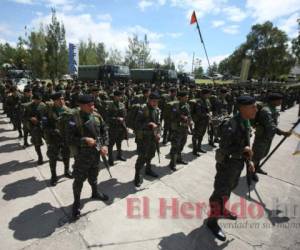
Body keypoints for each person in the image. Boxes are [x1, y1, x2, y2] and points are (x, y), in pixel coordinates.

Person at [206, 95, 257, 241]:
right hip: (227, 164)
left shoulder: (245, 121)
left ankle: (222, 209)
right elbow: (225, 148)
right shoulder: (231, 124)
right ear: (242, 108)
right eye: (252, 106)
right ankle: (212, 221)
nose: (255, 109)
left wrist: (249, 161)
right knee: (220, 191)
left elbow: (246, 143)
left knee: (229, 188)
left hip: (237, 163)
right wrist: (243, 150)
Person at [66, 94, 109, 220]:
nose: (92, 107)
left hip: (96, 154)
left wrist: (105, 145)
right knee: (79, 180)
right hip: (81, 157)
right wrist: (84, 140)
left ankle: (95, 192)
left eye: (93, 104)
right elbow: (68, 138)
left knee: (94, 175)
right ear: (81, 106)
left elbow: (104, 130)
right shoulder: (74, 118)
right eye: (90, 105)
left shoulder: (96, 115)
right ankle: (76, 202)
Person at [251, 93, 292, 181]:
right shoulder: (266, 111)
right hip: (262, 137)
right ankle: (251, 172)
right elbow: (270, 126)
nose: (281, 102)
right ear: (273, 101)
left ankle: (257, 168)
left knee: (262, 154)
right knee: (256, 155)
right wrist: (282, 132)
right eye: (279, 100)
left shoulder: (272, 109)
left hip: (268, 136)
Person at [42, 92, 73, 186]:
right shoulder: (48, 110)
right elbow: (44, 124)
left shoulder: (67, 110)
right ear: (54, 101)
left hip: (65, 138)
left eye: (63, 99)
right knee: (53, 157)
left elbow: (72, 123)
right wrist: (52, 130)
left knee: (66, 155)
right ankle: (53, 176)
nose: (61, 101)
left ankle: (67, 171)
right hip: (53, 138)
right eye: (59, 99)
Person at [134, 92, 161, 187]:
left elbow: (158, 123)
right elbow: (137, 124)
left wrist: (158, 133)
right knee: (142, 157)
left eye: (157, 101)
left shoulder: (156, 109)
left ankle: (148, 169)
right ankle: (137, 175)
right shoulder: (143, 109)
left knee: (151, 154)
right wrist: (149, 124)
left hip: (152, 137)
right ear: (149, 100)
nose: (155, 103)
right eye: (153, 101)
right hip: (143, 138)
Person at [168, 91, 191, 171]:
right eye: (185, 97)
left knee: (182, 144)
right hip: (177, 129)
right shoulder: (175, 105)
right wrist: (182, 118)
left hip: (184, 128)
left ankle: (179, 159)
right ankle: (172, 163)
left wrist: (189, 123)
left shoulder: (187, 105)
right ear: (180, 97)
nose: (187, 98)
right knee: (175, 146)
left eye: (187, 97)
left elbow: (189, 115)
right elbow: (172, 117)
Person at [24, 92, 46, 165]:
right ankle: (40, 157)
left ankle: (54, 155)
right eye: (37, 100)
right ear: (34, 100)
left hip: (44, 127)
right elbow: (24, 116)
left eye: (40, 99)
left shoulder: (44, 106)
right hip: (34, 127)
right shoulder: (29, 106)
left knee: (50, 142)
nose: (39, 101)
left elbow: (47, 115)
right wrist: (31, 118)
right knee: (37, 144)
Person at [107, 90, 127, 166]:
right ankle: (110, 159)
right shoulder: (110, 105)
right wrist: (117, 119)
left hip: (121, 127)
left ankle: (119, 155)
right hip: (113, 127)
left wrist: (124, 123)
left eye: (120, 96)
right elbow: (107, 118)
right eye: (118, 96)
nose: (120, 97)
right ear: (114, 96)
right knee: (111, 144)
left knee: (119, 142)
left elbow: (125, 115)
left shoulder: (122, 104)